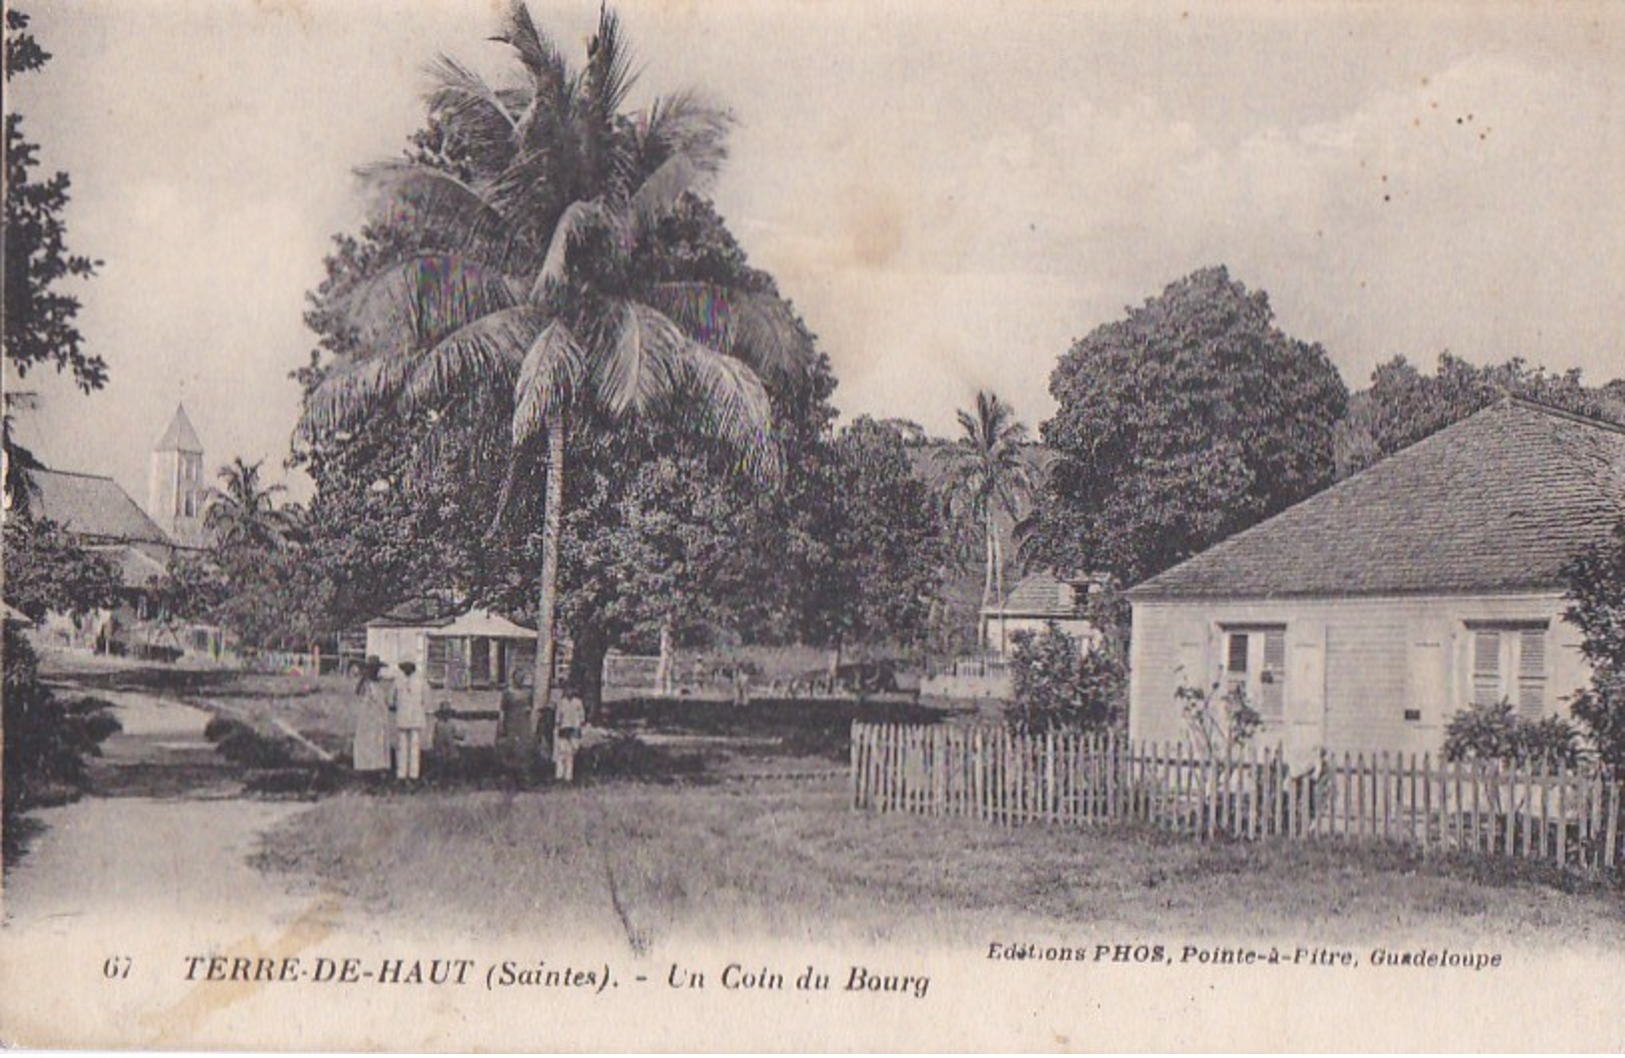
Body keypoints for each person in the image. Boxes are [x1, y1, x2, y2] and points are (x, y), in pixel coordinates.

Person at [352, 656, 392, 775]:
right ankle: (366, 766)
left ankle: (377, 765)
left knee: (378, 740)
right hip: (369, 717)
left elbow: (383, 701)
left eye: (377, 669)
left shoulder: (379, 685)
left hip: (379, 717)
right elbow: (360, 694)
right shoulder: (367, 684)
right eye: (373, 669)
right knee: (368, 740)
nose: (375, 672)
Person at [393, 659, 428, 781]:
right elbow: (391, 699)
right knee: (402, 747)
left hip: (415, 718)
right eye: (404, 667)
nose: (406, 669)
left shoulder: (420, 680)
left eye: (408, 667)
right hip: (403, 718)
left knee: (414, 747)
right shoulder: (398, 680)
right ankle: (402, 774)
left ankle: (413, 774)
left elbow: (426, 699)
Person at [553, 693, 584, 783]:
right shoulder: (562, 702)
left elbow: (582, 717)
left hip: (574, 728)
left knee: (571, 753)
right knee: (562, 752)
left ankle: (568, 777)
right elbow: (558, 717)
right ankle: (559, 775)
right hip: (564, 729)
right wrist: (558, 728)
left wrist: (579, 727)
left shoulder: (578, 702)